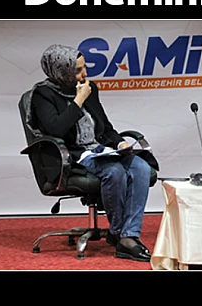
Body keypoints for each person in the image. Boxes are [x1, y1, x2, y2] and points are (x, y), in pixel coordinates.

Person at [25, 44, 154, 262]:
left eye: (84, 68)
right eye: (77, 70)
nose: (84, 74)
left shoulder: (89, 87)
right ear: (61, 70)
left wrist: (120, 142)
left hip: (100, 149)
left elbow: (105, 126)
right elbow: (56, 129)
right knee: (114, 171)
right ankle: (119, 234)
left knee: (141, 167)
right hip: (72, 155)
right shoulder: (43, 94)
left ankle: (128, 235)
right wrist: (79, 100)